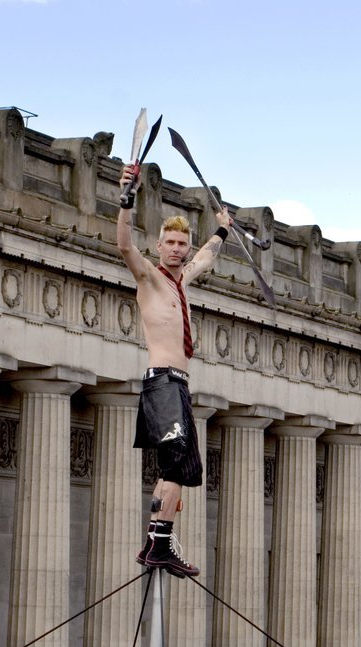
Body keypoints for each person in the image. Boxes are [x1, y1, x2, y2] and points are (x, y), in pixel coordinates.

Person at [116, 161, 233, 578]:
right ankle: (157, 543)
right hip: (162, 381)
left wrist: (221, 228)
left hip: (179, 385)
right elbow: (125, 246)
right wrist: (126, 199)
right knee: (174, 461)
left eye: (182, 243)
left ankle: (157, 540)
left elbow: (207, 257)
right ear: (160, 245)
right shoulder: (149, 278)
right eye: (170, 242)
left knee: (183, 468)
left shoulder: (184, 283)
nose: (178, 249)